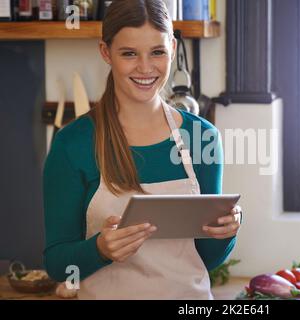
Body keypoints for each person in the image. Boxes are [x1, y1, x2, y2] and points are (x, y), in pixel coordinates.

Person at [43, 0, 241, 300]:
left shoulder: (202, 138)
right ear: (106, 53)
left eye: (157, 52)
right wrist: (99, 249)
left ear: (172, 49)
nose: (146, 68)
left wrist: (226, 231)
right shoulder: (73, 143)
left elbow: (207, 260)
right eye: (129, 53)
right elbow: (58, 265)